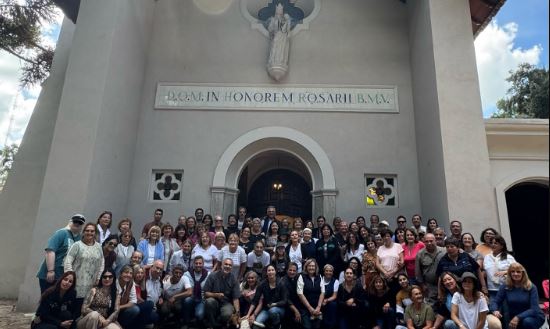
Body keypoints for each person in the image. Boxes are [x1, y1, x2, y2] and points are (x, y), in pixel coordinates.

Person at [37, 214, 85, 293]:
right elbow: (50, 251)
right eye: (75, 221)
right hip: (51, 274)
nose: (77, 224)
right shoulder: (61, 233)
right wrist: (51, 271)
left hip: (63, 276)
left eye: (80, 223)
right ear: (70, 222)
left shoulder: (79, 239)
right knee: (47, 300)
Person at [64, 222, 104, 313]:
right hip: (76, 285)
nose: (89, 233)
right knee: (74, 310)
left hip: (91, 285)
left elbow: (102, 263)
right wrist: (70, 278)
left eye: (92, 231)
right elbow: (68, 261)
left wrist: (98, 278)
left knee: (85, 310)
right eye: (87, 230)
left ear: (95, 233)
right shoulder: (77, 245)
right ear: (83, 232)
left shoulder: (99, 247)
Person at [490, 262, 545, 329]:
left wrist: (518, 317)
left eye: (518, 271)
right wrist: (495, 310)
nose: (515, 274)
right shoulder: (505, 286)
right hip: (514, 317)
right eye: (513, 271)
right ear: (509, 274)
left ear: (523, 273)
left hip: (533, 316)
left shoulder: (531, 287)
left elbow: (534, 309)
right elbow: (496, 301)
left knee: (527, 322)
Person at [203, 258, 241, 328]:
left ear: (232, 268)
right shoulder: (212, 275)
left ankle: (221, 322)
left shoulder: (234, 279)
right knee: (209, 301)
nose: (227, 266)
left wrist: (238, 313)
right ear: (221, 265)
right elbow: (206, 293)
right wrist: (216, 295)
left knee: (226, 314)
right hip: (214, 301)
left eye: (230, 265)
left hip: (226, 303)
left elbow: (236, 298)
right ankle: (212, 324)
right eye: (226, 264)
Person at [246, 264, 287, 329]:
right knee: (256, 325)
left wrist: (274, 304)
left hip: (279, 308)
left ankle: (277, 326)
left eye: (272, 270)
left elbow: (285, 301)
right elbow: (255, 301)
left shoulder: (281, 283)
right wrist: (248, 314)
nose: (271, 272)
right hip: (266, 309)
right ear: (266, 273)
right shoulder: (262, 284)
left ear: (275, 271)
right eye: (269, 270)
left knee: (272, 311)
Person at [415, 233, 445, 305]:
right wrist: (422, 285)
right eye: (426, 241)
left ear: (435, 241)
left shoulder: (444, 251)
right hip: (429, 286)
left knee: (444, 304)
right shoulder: (420, 254)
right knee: (431, 306)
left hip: (444, 284)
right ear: (423, 242)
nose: (429, 243)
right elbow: (418, 272)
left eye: (431, 241)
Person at [484, 235, 516, 300]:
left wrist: (505, 272)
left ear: (502, 246)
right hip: (492, 289)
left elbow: (517, 269)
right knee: (494, 309)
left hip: (506, 288)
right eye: (492, 243)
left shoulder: (508, 257)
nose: (493, 245)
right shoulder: (487, 257)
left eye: (496, 243)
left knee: (506, 309)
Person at [376, 228, 404, 295]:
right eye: (384, 236)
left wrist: (393, 272)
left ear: (391, 237)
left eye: (388, 236)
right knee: (385, 296)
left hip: (396, 276)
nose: (386, 238)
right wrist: (385, 273)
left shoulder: (398, 246)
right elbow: (377, 263)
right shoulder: (380, 248)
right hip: (384, 277)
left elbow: (402, 261)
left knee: (396, 295)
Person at [297, 258, 324, 329]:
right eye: (309, 266)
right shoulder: (301, 276)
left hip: (317, 308)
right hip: (305, 308)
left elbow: (322, 292)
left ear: (316, 267)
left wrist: (318, 307)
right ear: (306, 267)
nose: (311, 267)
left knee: (317, 327)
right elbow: (300, 293)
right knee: (307, 327)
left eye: (313, 266)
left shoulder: (320, 276)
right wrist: (310, 308)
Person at [182, 256, 209, 326]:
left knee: (199, 315)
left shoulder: (208, 275)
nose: (198, 265)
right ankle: (186, 321)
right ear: (193, 264)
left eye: (200, 263)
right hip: (191, 298)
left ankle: (197, 321)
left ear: (203, 264)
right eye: (196, 263)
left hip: (201, 300)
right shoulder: (187, 274)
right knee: (187, 300)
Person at [281, 262, 301, 328]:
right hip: (288, 306)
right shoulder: (283, 281)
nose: (292, 272)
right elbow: (287, 299)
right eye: (290, 270)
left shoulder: (299, 277)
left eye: (294, 270)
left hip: (298, 303)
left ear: (297, 271)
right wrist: (296, 311)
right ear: (287, 270)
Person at [321, 264, 339, 329]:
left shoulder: (335, 281)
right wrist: (321, 301)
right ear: (324, 271)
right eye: (327, 270)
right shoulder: (320, 279)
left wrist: (326, 300)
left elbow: (334, 296)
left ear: (332, 272)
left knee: (333, 305)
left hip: (329, 301)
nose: (328, 272)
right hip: (319, 300)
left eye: (330, 271)